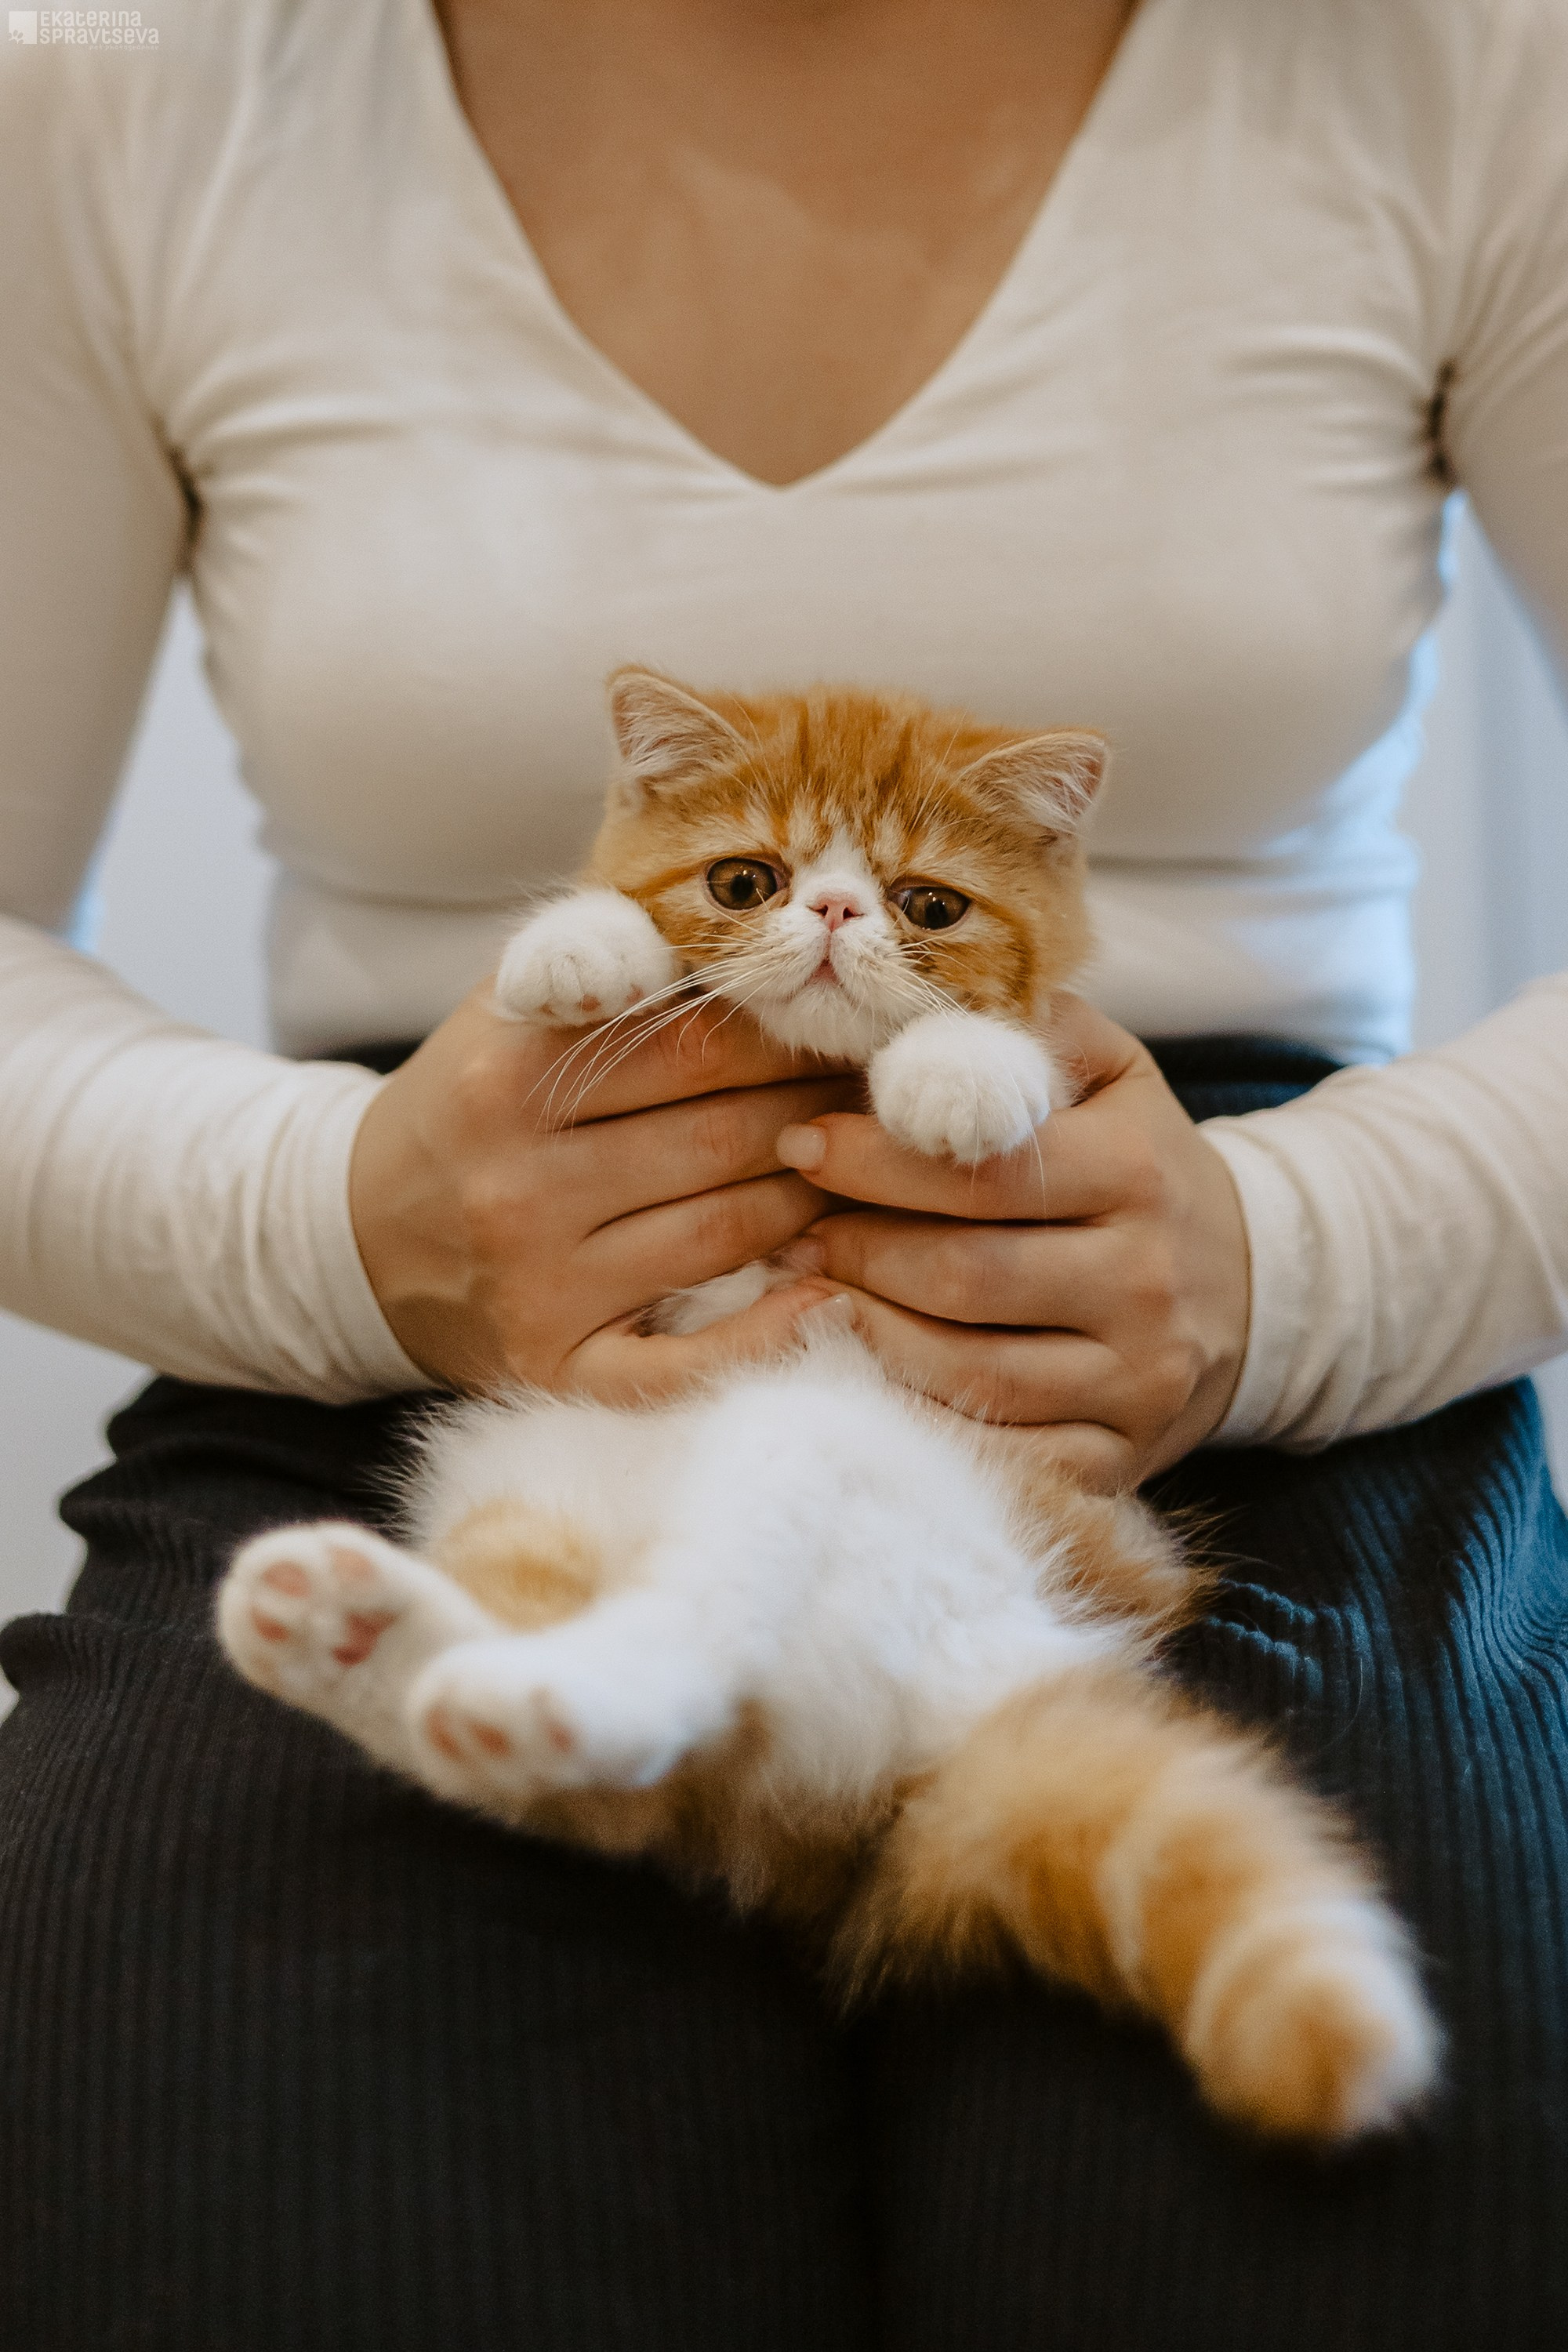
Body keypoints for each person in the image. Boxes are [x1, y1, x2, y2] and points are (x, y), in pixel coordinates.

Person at [1, 1, 1565, 2343]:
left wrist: (1294, 1263)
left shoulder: (1471, 64)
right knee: (264, 2155)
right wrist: (351, 1227)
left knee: (1298, 2204)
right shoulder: (113, 91)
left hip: (1217, 1312)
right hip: (423, 1282)